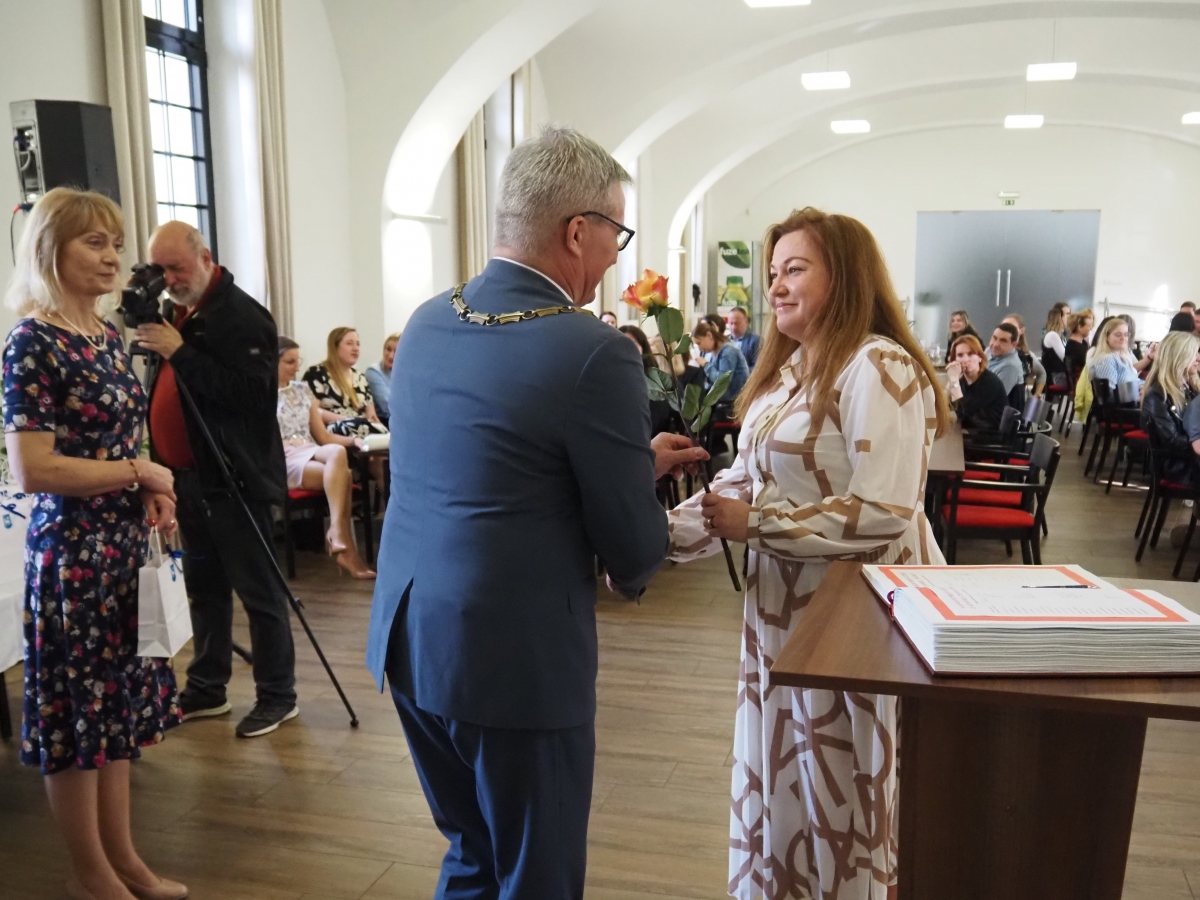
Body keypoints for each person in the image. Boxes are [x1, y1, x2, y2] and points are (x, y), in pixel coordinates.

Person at [365, 125, 709, 898]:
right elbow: (632, 548)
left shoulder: (426, 320)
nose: (617, 254)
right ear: (577, 231)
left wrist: (627, 461)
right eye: (617, 232)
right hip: (514, 660)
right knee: (537, 876)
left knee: (472, 854)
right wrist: (642, 515)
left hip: (413, 638)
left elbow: (488, 465)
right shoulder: (594, 349)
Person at [669, 207, 948, 900]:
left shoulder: (879, 365)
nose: (776, 286)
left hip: (855, 617)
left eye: (795, 269)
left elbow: (884, 510)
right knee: (788, 771)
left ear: (845, 277)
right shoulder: (789, 370)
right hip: (782, 610)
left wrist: (759, 524)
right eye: (773, 272)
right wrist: (653, 539)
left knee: (842, 780)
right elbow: (741, 485)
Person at [3, 187, 187, 900]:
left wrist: (149, 489)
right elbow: (34, 469)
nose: (113, 257)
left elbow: (121, 441)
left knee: (115, 713)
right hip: (73, 556)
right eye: (94, 242)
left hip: (122, 547)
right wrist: (139, 472)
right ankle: (90, 872)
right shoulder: (32, 340)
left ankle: (125, 860)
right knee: (77, 718)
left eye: (116, 242)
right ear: (51, 249)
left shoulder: (106, 335)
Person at [136, 220, 298, 740]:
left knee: (259, 593)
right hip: (187, 479)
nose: (169, 279)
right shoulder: (178, 312)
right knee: (204, 591)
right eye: (159, 269)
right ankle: (208, 688)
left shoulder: (242, 316)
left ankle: (278, 696)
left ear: (205, 258)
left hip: (234, 480)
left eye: (176, 267)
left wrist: (179, 351)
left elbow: (251, 398)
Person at [277, 337, 375, 579]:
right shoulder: (260, 393)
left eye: (298, 361)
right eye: (289, 362)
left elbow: (322, 436)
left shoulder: (302, 390)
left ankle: (336, 532)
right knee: (344, 476)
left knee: (337, 451)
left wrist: (353, 441)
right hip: (282, 456)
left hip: (308, 448)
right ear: (272, 361)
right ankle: (347, 551)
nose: (296, 367)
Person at [303, 327, 387, 439]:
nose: (355, 348)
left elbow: (370, 412)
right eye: (349, 343)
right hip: (333, 428)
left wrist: (373, 421)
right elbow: (310, 410)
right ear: (335, 347)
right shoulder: (316, 373)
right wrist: (346, 419)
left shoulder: (361, 377)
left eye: (358, 344)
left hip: (361, 426)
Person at [1142, 331, 1200, 487]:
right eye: (1194, 354)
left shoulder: (1189, 387)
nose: (1198, 358)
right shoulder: (1158, 394)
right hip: (1179, 466)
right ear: (1178, 357)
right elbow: (1171, 440)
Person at [946, 334, 1010, 429]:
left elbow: (962, 413)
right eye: (960, 355)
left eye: (970, 354)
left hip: (989, 434)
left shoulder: (990, 382)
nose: (965, 359)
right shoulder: (961, 379)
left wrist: (954, 382)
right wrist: (951, 380)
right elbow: (943, 405)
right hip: (968, 430)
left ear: (980, 358)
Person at [692, 319, 749, 404]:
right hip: (724, 400)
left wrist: (706, 365)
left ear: (709, 335)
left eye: (699, 343)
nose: (699, 348)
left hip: (733, 402)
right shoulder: (713, 351)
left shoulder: (728, 351)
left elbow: (722, 381)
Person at [1090, 316, 1149, 395]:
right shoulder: (1107, 359)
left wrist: (1144, 386)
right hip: (1125, 402)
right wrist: (1138, 395)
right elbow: (1110, 394)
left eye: (1126, 335)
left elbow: (1133, 381)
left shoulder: (1122, 357)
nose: (1123, 338)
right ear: (1107, 337)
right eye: (1118, 335)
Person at [1002, 313, 1046, 397]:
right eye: (1003, 327)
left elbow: (1042, 373)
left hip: (1018, 400)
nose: (1006, 331)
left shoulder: (1026, 355)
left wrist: (1036, 395)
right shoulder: (992, 352)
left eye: (1011, 327)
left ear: (1021, 331)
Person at [364, 332, 400, 426]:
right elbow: (387, 406)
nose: (391, 355)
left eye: (396, 351)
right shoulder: (373, 371)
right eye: (388, 349)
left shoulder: (405, 373)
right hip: (386, 421)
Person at [986, 322, 1025, 407]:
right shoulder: (989, 350)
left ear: (1013, 345)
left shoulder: (1010, 366)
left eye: (1003, 341)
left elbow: (990, 399)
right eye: (994, 338)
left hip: (999, 412)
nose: (995, 344)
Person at [1042, 305, 1068, 383]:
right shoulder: (1052, 335)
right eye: (1066, 316)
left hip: (1060, 374)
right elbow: (1065, 357)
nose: (1068, 318)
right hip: (1057, 376)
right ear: (1060, 318)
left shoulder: (1061, 336)